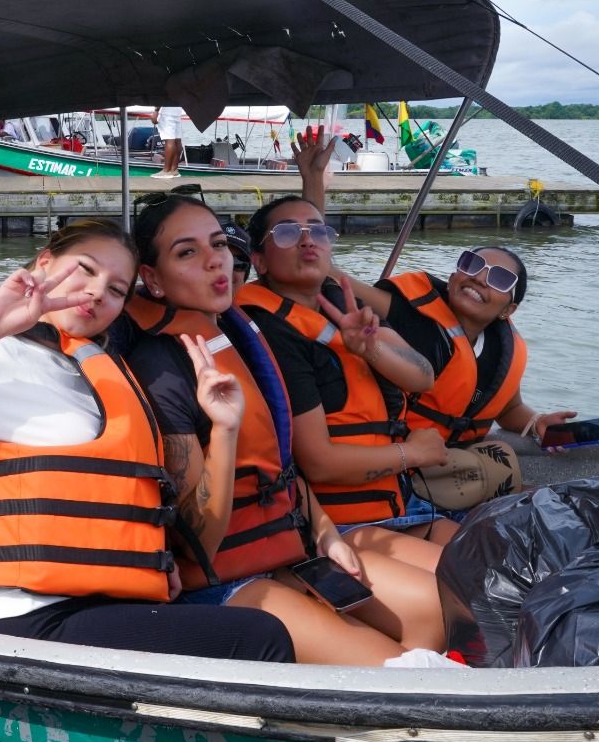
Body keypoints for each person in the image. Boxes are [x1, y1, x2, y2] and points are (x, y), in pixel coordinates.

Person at [0, 221, 294, 661]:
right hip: (22, 617)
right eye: (86, 268)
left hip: (93, 604)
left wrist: (224, 428)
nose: (99, 291)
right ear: (45, 263)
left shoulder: (94, 369)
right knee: (262, 637)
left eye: (118, 289)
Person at [123, 194, 444, 664]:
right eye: (187, 252)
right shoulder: (162, 369)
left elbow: (282, 464)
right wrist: (225, 430)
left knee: (431, 611)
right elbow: (199, 544)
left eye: (217, 245)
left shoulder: (238, 336)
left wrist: (326, 531)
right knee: (397, 671)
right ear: (151, 278)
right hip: (222, 580)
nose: (215, 260)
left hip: (288, 548)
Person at [237, 196, 458, 552]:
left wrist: (370, 349)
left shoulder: (341, 303)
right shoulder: (270, 332)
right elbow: (319, 463)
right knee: (472, 583)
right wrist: (411, 455)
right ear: (259, 260)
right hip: (336, 523)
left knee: (496, 558)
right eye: (288, 233)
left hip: (397, 504)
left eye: (318, 232)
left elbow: (423, 376)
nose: (307, 240)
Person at [339, 247, 577, 498]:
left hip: (441, 470)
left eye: (500, 279)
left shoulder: (501, 352)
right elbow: (341, 285)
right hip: (385, 462)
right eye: (472, 264)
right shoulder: (403, 310)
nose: (480, 278)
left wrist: (537, 422)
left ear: (508, 310)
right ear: (453, 278)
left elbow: (508, 409)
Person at [151, 105, 185, 179]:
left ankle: (166, 171)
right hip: (177, 111)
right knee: (177, 140)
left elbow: (161, 95)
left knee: (169, 140)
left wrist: (156, 110)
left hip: (166, 112)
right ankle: (174, 169)